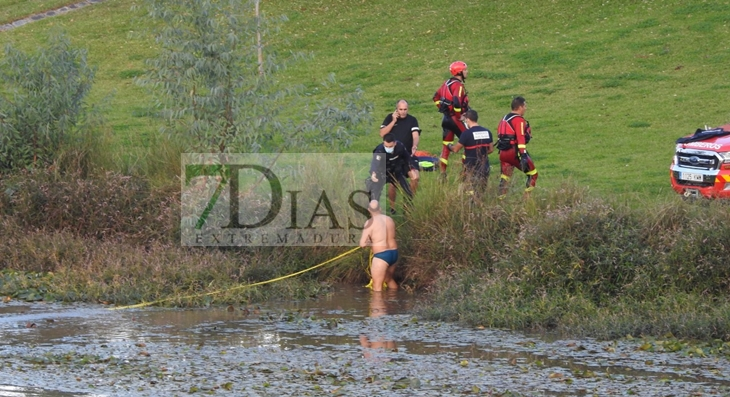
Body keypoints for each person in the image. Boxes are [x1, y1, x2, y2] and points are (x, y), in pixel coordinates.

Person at [433, 61, 470, 177]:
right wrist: (459, 117)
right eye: (465, 70)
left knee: (446, 146)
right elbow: (457, 102)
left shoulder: (446, 83)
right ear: (459, 72)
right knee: (469, 142)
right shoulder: (458, 85)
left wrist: (443, 109)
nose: (467, 72)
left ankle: (443, 174)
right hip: (455, 120)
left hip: (446, 119)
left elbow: (435, 97)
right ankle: (464, 173)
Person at [496, 96, 538, 197]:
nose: (526, 108)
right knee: (533, 174)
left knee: (505, 178)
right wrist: (523, 155)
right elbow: (520, 137)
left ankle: (500, 201)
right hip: (514, 152)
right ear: (520, 107)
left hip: (503, 153)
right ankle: (527, 200)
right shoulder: (518, 120)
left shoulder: (504, 118)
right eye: (525, 106)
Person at [379, 99, 421, 196]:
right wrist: (394, 121)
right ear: (396, 109)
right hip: (393, 156)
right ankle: (393, 208)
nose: (403, 112)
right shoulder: (389, 118)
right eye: (401, 109)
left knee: (415, 177)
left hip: (407, 154)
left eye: (405, 109)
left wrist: (415, 145)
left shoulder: (412, 120)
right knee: (394, 183)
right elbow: (382, 133)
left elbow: (415, 135)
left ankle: (408, 202)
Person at [447, 109, 494, 194]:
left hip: (471, 167)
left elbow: (456, 149)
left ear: (468, 119)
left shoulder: (466, 134)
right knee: (481, 191)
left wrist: (449, 146)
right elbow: (491, 149)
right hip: (485, 166)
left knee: (471, 191)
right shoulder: (487, 132)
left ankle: (472, 205)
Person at [366, 133, 414, 214]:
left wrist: (410, 170)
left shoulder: (400, 147)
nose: (388, 148)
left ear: (395, 143)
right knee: (374, 194)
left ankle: (407, 211)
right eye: (386, 146)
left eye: (390, 146)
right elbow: (375, 164)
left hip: (396, 172)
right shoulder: (379, 150)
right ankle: (374, 213)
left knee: (407, 191)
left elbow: (407, 159)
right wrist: (373, 174)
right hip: (381, 173)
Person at [359, 200, 398, 292]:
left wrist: (370, 242)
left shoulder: (369, 222)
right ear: (380, 209)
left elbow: (362, 244)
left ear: (369, 210)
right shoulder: (389, 219)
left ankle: (377, 306)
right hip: (394, 253)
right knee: (388, 279)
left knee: (377, 287)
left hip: (381, 256)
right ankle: (396, 302)